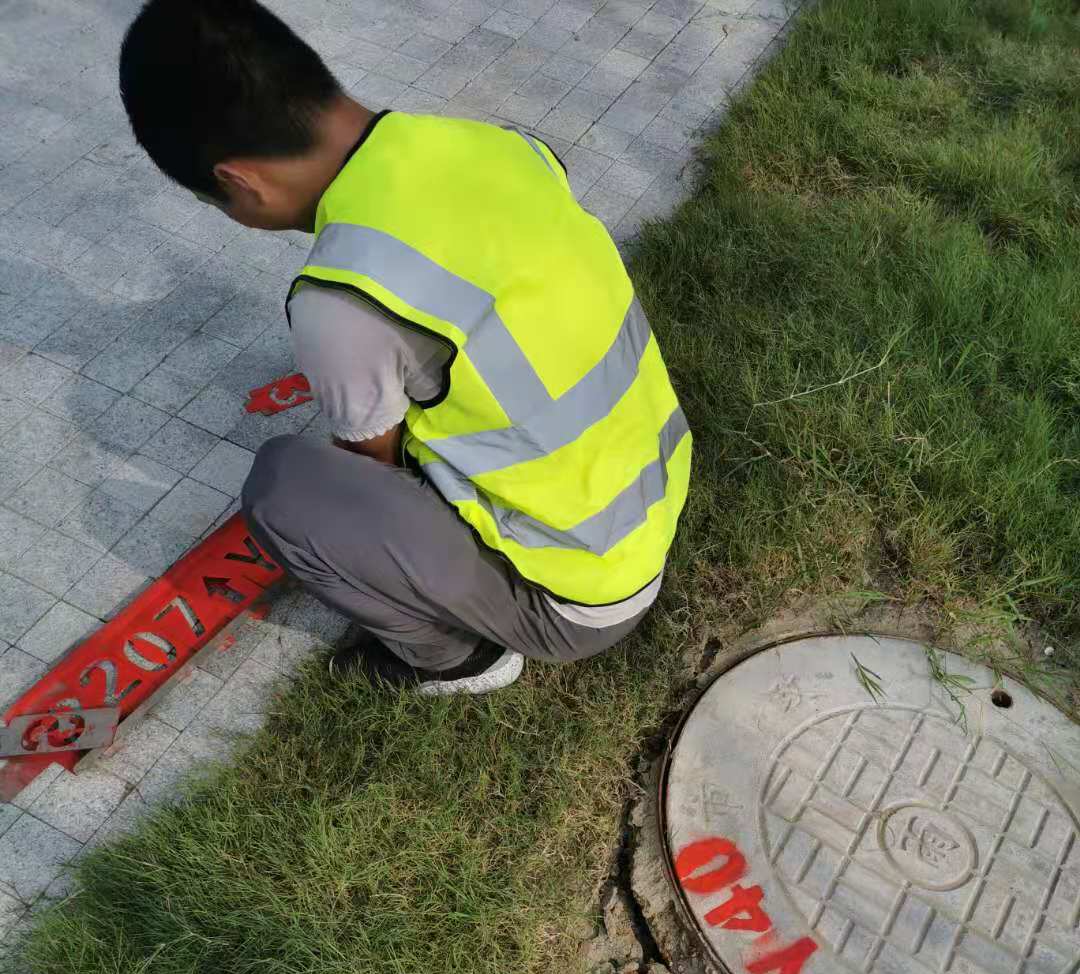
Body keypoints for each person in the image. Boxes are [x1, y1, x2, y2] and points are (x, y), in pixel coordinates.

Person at [118, 0, 692, 695]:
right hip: (648, 504)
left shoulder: (341, 301)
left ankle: (456, 658)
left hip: (573, 600)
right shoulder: (495, 145)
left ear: (239, 182)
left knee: (285, 492)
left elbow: (378, 472)